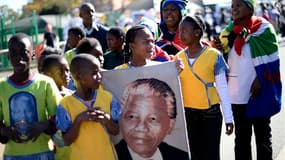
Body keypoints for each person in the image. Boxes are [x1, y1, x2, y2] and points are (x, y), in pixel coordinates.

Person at [218, 0, 282, 159]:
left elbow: (272, 58)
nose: (234, 9)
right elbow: (224, 60)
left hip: (258, 92)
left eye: (239, 5)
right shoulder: (227, 32)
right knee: (241, 139)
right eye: (232, 6)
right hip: (237, 94)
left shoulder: (263, 28)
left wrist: (261, 79)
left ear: (250, 8)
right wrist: (219, 50)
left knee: (263, 137)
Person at [176, 15, 234, 160]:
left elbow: (222, 89)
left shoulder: (214, 55)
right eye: (179, 31)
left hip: (211, 114)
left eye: (184, 30)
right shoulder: (177, 58)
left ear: (197, 33)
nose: (180, 34)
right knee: (194, 155)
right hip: (188, 114)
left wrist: (229, 118)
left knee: (211, 155)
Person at [0, 33, 62, 159]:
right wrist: (4, 131)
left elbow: (60, 116)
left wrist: (42, 125)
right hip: (12, 155)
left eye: (24, 52)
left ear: (33, 54)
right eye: (14, 53)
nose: (19, 58)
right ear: (8, 56)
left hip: (43, 153)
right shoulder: (1, 86)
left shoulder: (45, 83)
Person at [56, 54, 121, 160]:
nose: (99, 76)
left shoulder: (107, 97)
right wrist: (78, 120)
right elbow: (67, 141)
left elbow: (116, 131)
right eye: (94, 73)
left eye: (99, 72)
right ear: (78, 76)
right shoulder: (65, 104)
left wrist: (105, 118)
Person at [115, 78, 190, 160]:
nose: (141, 128)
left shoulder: (181, 157)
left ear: (170, 125)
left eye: (153, 119)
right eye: (132, 117)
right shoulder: (110, 155)